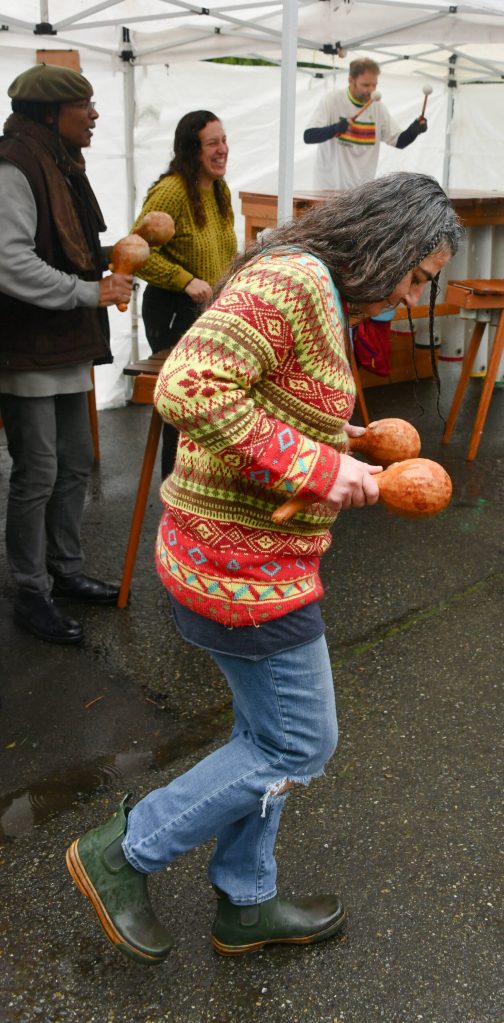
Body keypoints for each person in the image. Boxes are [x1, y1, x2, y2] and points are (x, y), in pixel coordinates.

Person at [66, 172, 462, 962]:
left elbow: (267, 401)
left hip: (238, 558)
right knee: (296, 745)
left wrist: (345, 442)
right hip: (241, 573)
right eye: (418, 275)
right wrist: (319, 469)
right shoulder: (296, 278)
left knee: (262, 735)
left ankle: (245, 901)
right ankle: (123, 852)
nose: (411, 293)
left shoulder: (315, 287)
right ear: (391, 244)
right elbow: (188, 386)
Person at [0, 64, 133, 645]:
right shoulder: (15, 165)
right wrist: (89, 291)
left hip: (66, 341)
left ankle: (65, 570)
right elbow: (9, 260)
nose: (96, 114)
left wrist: (117, 257)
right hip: (28, 346)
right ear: (52, 113)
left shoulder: (59, 161)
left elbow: (64, 246)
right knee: (38, 473)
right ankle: (31, 590)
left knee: (75, 461)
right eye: (86, 104)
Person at [131, 110, 237, 478]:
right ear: (192, 150)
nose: (222, 149)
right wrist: (184, 279)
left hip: (211, 315)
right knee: (181, 410)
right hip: (173, 312)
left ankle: (203, 487)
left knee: (210, 407)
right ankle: (174, 495)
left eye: (224, 140)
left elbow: (222, 251)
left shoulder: (219, 189)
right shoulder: (171, 192)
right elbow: (136, 251)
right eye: (212, 143)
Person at [304, 57, 428, 191]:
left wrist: (414, 130)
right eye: (365, 85)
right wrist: (335, 128)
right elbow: (309, 136)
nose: (371, 90)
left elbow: (399, 141)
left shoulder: (378, 107)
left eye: (374, 85)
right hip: (329, 189)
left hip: (361, 194)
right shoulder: (332, 100)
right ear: (351, 81)